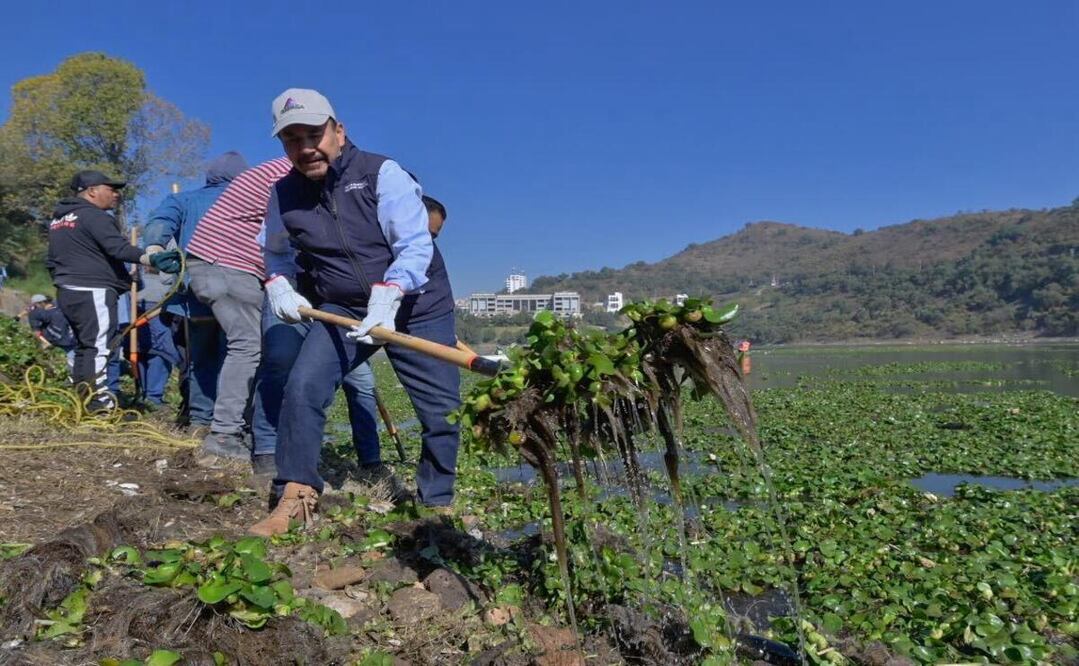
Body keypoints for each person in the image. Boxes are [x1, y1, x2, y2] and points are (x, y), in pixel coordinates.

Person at [250, 88, 460, 536]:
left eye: (314, 134)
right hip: (342, 306)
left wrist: (390, 294)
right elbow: (275, 254)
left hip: (418, 305)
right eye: (292, 140)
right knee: (304, 385)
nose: (306, 147)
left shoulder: (382, 174)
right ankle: (297, 492)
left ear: (338, 130)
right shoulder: (283, 195)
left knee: (440, 411)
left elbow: (414, 243)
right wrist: (280, 284)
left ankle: (436, 502)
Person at [251, 192, 451, 482]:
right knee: (282, 366)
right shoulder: (329, 219)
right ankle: (269, 453)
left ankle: (370, 461)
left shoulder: (408, 256)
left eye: (432, 236)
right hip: (297, 300)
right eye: (423, 232)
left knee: (362, 384)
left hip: (348, 317)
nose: (426, 242)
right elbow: (275, 252)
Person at [46, 170, 180, 408]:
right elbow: (117, 248)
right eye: (111, 189)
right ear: (92, 191)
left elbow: (51, 261)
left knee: (84, 347)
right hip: (92, 289)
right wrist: (151, 258)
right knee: (99, 346)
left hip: (67, 290)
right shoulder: (94, 216)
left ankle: (83, 400)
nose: (116, 194)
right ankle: (99, 405)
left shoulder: (59, 220)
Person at [141, 153, 249, 430]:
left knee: (201, 360)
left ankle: (201, 421)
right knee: (240, 360)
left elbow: (159, 223)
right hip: (243, 297)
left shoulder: (183, 200)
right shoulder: (253, 199)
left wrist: (154, 249)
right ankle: (235, 424)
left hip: (196, 295)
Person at [25, 294, 76, 371]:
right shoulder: (60, 306)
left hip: (58, 340)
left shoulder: (38, 314)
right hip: (70, 339)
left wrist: (45, 342)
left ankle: (72, 375)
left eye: (36, 305)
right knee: (73, 358)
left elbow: (37, 332)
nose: (35, 307)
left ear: (41, 303)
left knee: (70, 361)